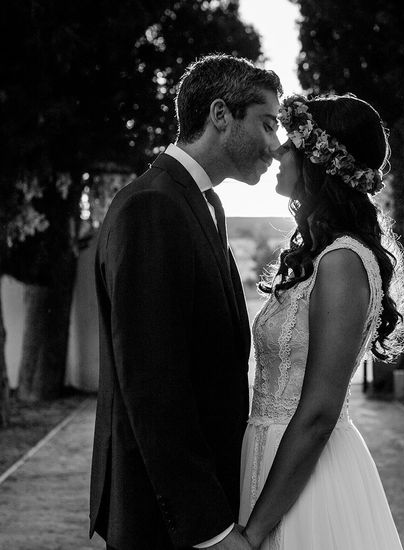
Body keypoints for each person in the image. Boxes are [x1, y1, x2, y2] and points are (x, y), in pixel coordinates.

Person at [89, 54, 281, 550]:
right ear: (221, 114)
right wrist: (210, 530)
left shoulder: (204, 202)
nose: (275, 146)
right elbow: (153, 384)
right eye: (267, 124)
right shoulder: (154, 206)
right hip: (166, 524)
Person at [238, 94, 404, 549]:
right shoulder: (321, 254)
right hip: (269, 457)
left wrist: (254, 533)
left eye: (292, 143)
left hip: (308, 478)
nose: (279, 151)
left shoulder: (342, 262)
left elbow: (319, 412)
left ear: (322, 161)